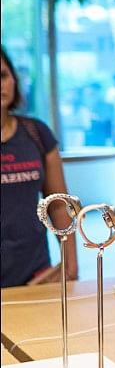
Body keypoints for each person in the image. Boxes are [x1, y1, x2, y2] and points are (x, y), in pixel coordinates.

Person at [0, 46, 79, 287]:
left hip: (35, 274)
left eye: (3, 76)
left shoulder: (36, 132)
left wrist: (70, 265)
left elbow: (57, 205)